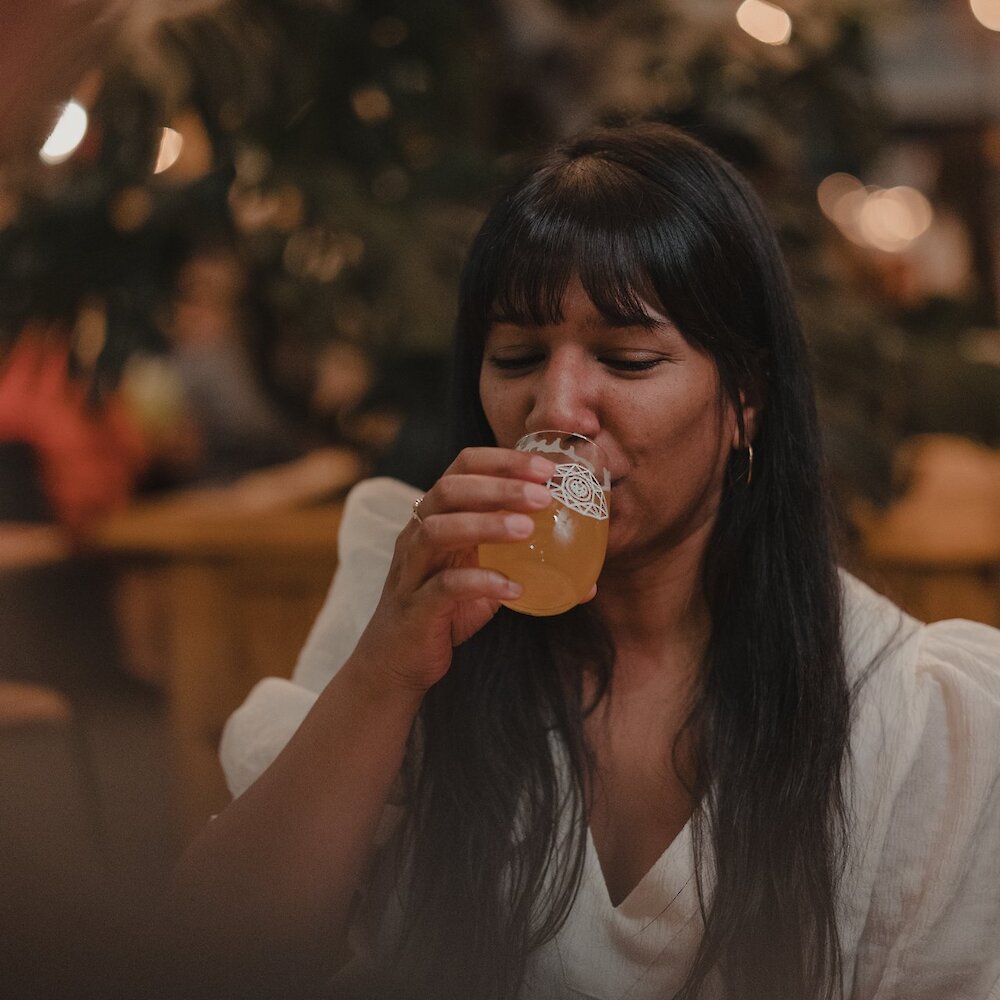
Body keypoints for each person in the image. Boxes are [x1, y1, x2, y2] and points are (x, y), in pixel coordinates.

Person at [170, 123, 1000, 1000]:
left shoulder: (909, 717)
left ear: (746, 402)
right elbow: (214, 963)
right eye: (517, 357)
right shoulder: (409, 597)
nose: (555, 407)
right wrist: (384, 673)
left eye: (629, 359)